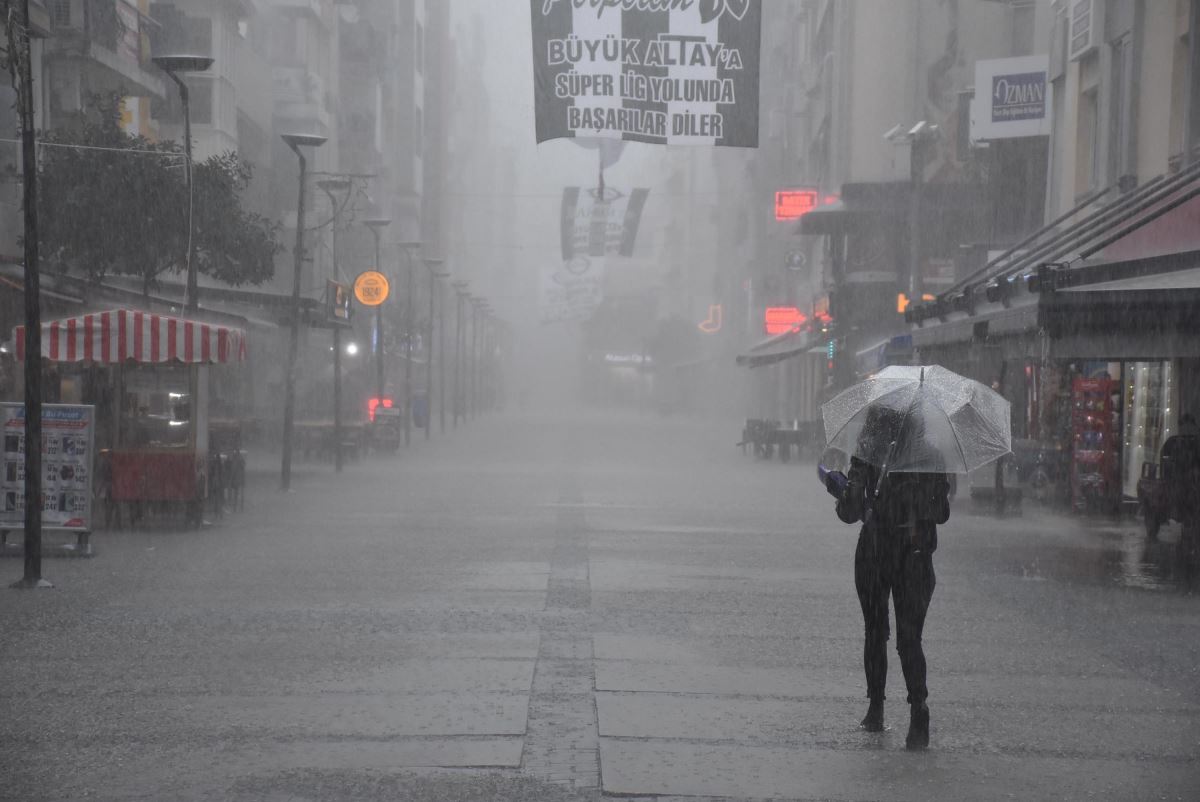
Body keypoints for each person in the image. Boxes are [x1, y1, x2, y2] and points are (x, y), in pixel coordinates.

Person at [822, 405, 951, 749]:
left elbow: (850, 513)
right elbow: (942, 513)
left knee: (876, 633)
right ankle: (918, 710)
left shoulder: (868, 456)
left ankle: (876, 708)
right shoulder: (932, 458)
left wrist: (841, 490)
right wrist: (917, 500)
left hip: (876, 554)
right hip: (916, 557)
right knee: (910, 639)